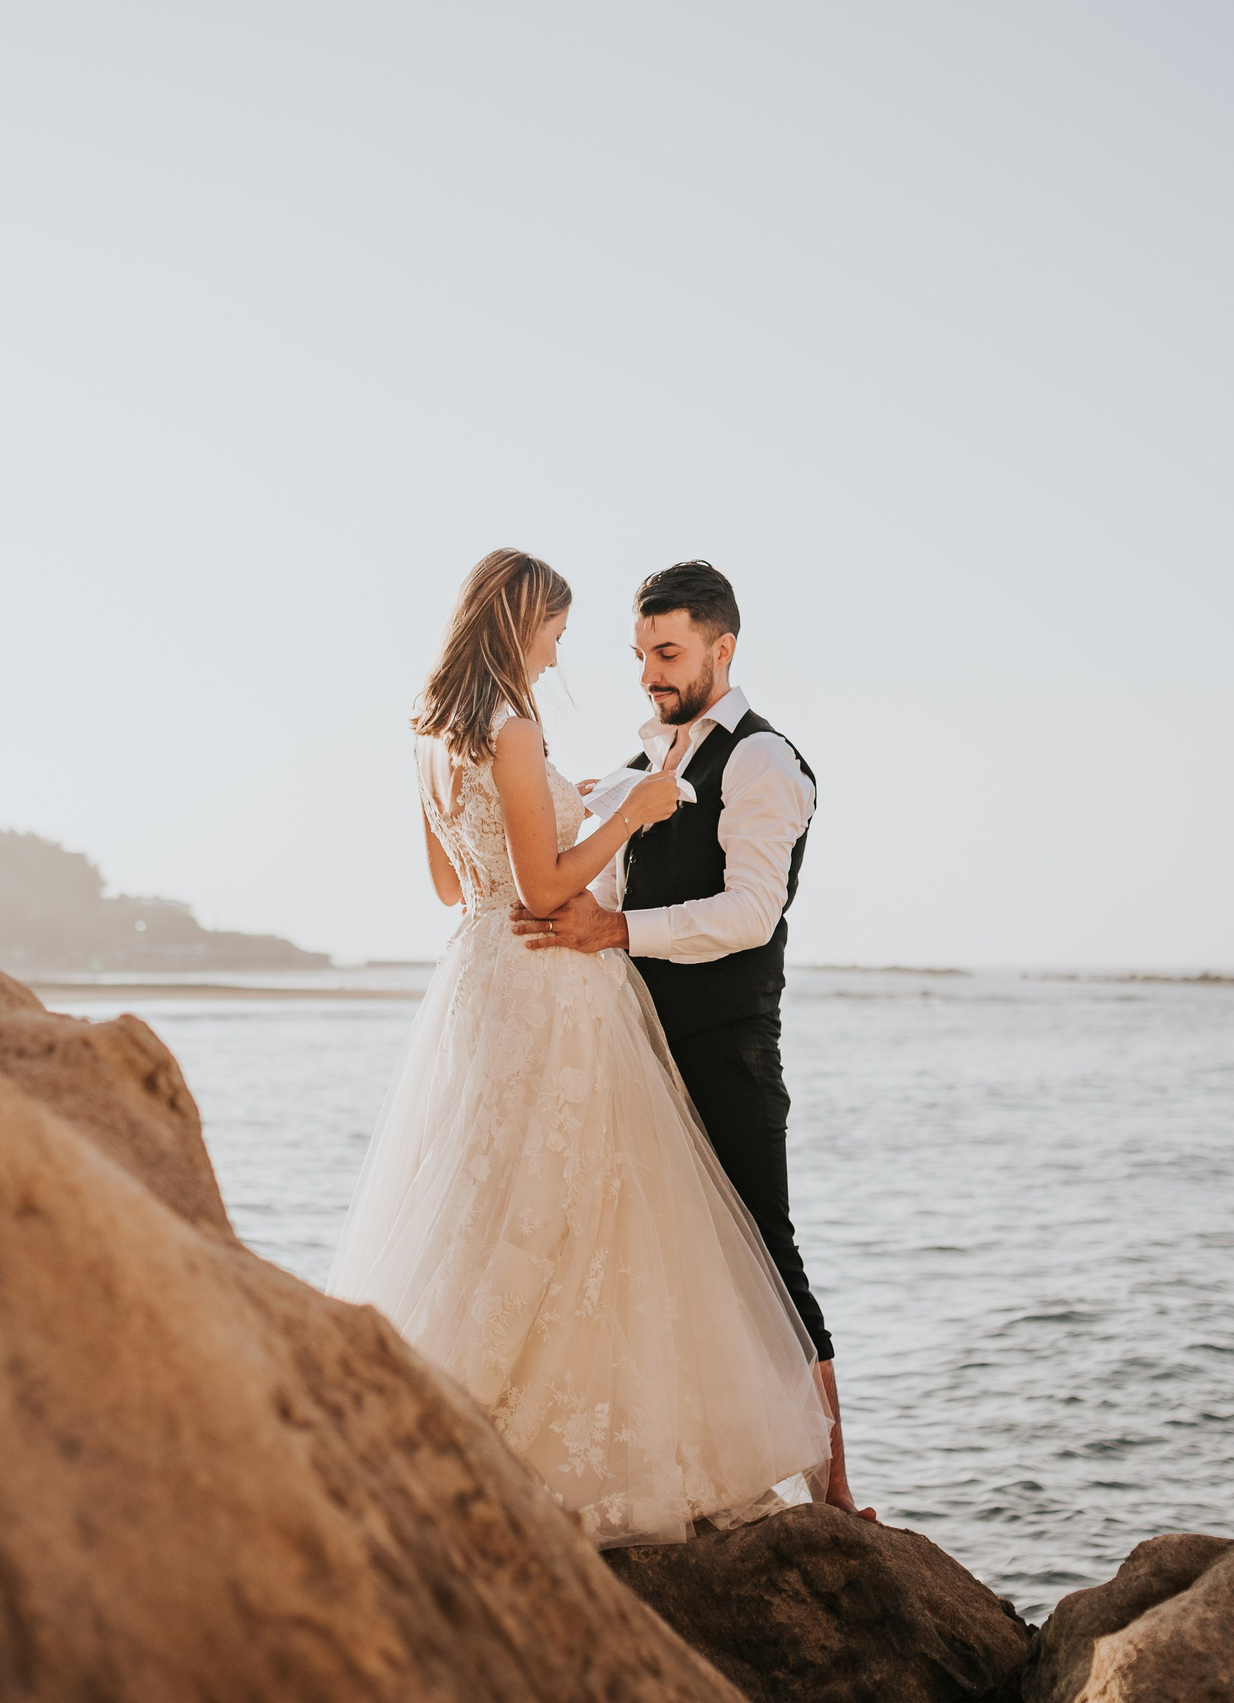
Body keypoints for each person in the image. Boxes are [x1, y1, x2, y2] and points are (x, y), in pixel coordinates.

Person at [326, 548, 833, 1549]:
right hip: (549, 983)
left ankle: (452, 1415)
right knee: (575, 1210)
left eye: (658, 647)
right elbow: (551, 887)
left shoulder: (434, 738)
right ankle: (572, 1439)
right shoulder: (512, 728)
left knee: (488, 1201)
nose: (566, 651)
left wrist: (588, 805)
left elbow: (451, 885)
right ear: (521, 622)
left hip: (480, 976)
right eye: (557, 631)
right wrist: (630, 815)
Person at [512, 560, 870, 1520]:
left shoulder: (763, 762)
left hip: (726, 1046)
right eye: (640, 654)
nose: (647, 674)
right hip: (633, 1048)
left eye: (666, 654)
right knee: (664, 1256)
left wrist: (615, 931)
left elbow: (752, 913)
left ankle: (836, 1489)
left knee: (766, 1248)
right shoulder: (645, 764)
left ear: (724, 648)